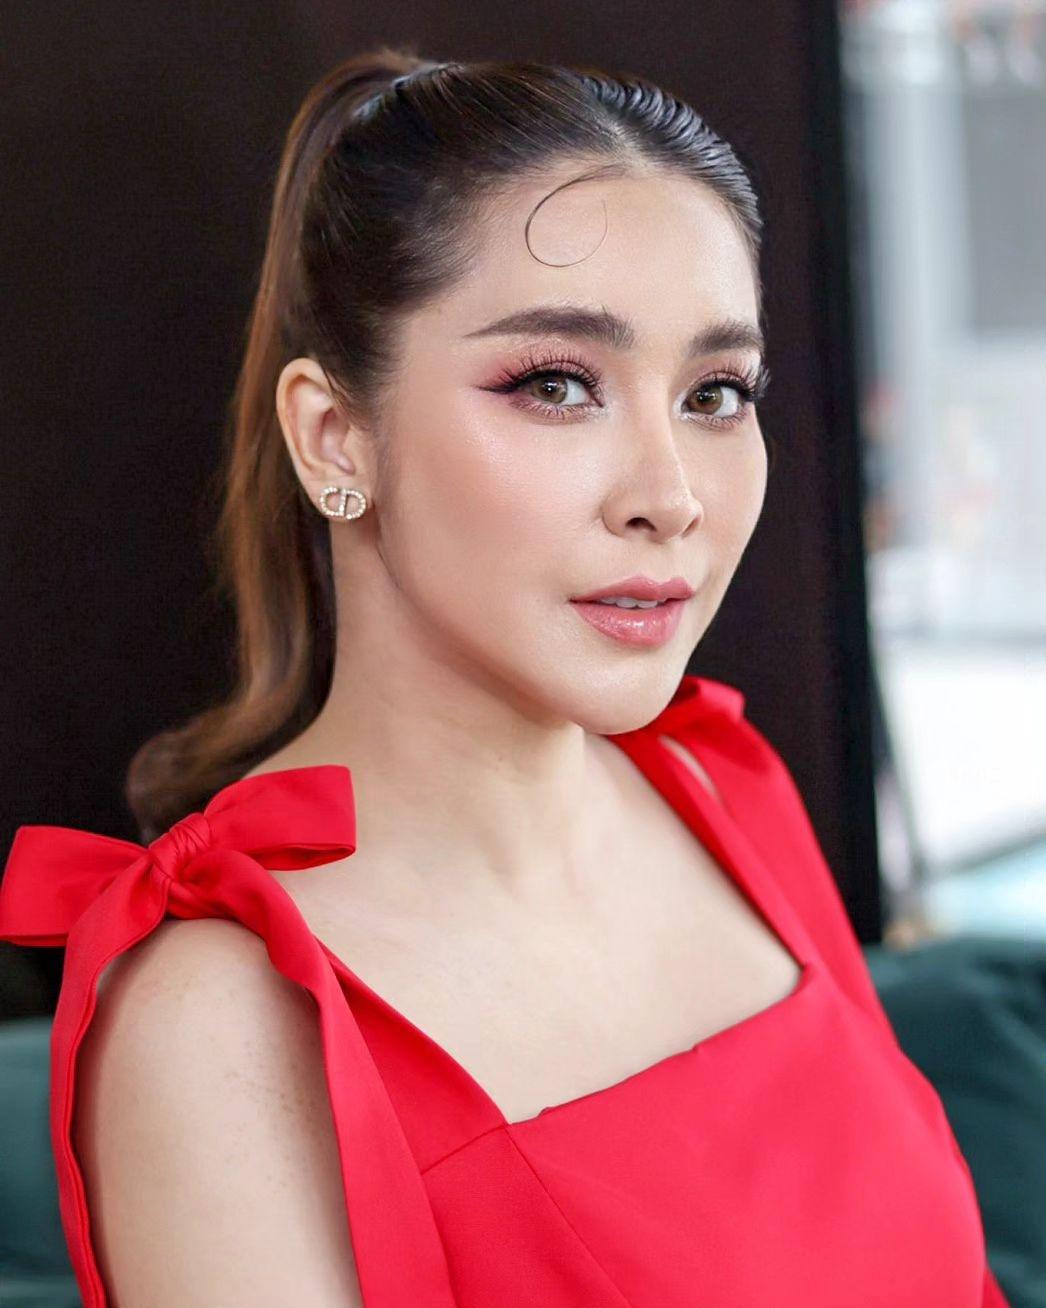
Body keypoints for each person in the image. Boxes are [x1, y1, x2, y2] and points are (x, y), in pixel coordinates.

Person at [0, 45, 1008, 1308]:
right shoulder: (222, 1021)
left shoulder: (721, 787)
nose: (669, 497)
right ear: (334, 436)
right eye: (556, 384)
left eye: (713, 393)